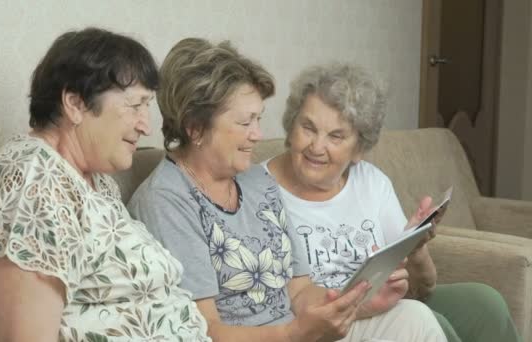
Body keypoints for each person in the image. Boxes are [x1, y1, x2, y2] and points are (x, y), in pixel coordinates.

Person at [128, 37, 447, 341]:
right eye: (245, 122)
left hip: (296, 334)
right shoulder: (167, 200)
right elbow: (203, 330)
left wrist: (359, 300)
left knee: (416, 319)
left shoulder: (257, 183)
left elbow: (299, 291)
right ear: (195, 127)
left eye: (259, 119)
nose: (258, 134)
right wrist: (295, 335)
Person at [0, 28, 210, 341]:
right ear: (75, 103)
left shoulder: (93, 181)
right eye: (135, 105)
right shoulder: (32, 186)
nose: (145, 125)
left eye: (147, 106)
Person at [264, 62, 522, 342]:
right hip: (332, 321)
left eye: (336, 136)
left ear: (359, 148)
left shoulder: (372, 182)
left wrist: (415, 248)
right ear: (291, 127)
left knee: (485, 304)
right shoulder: (259, 191)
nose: (316, 147)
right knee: (420, 319)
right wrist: (366, 304)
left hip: (386, 303)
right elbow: (286, 302)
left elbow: (423, 287)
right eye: (308, 128)